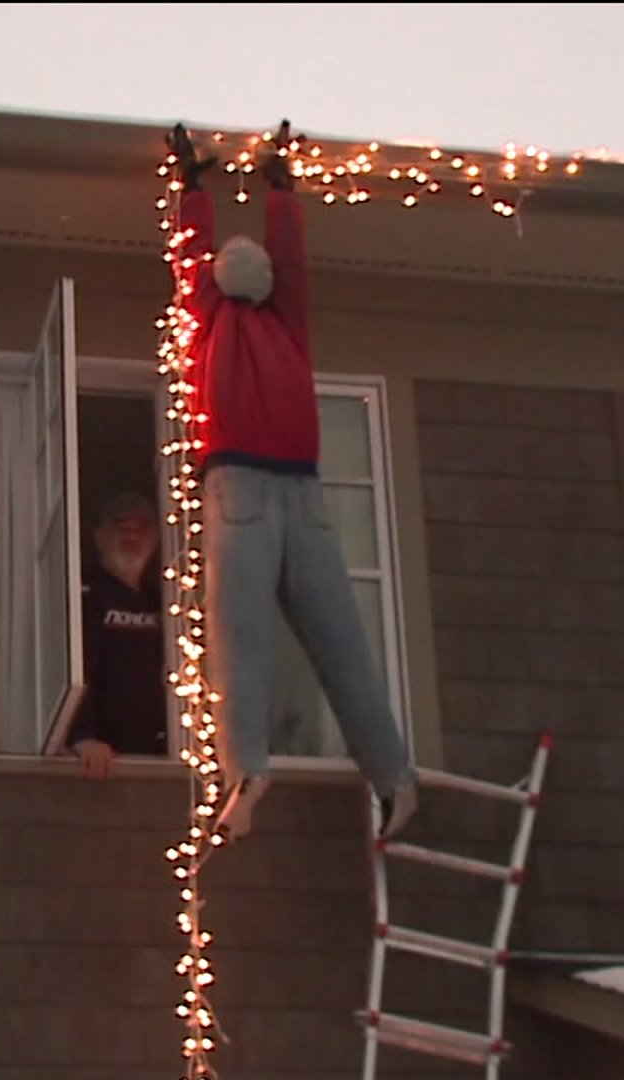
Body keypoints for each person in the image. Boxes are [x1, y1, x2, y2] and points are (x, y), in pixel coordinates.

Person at [166, 120, 419, 841]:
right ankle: (393, 775)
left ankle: (247, 771)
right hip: (301, 490)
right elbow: (292, 261)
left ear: (220, 280)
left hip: (241, 485)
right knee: (340, 644)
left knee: (237, 641)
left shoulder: (208, 317)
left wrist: (193, 187)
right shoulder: (289, 319)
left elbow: (190, 259)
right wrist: (281, 188)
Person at [66, 491, 169, 778]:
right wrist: (82, 736)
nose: (131, 536)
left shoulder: (164, 603)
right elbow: (72, 666)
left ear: (157, 539)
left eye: (141, 528)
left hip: (159, 757)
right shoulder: (82, 595)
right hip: (105, 760)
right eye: (121, 527)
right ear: (99, 537)